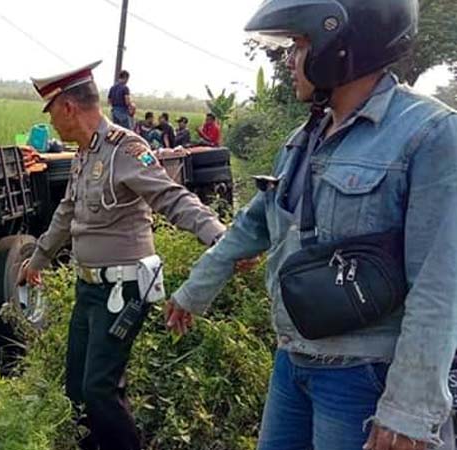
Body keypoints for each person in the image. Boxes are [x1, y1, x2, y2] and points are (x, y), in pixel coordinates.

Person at [165, 1, 457, 449]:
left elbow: (440, 284)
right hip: (294, 360)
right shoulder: (305, 138)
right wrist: (196, 288)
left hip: (364, 374)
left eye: (300, 45)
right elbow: (257, 221)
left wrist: (409, 410)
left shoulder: (429, 135)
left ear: (342, 46)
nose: (290, 58)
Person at [24, 60, 227, 450]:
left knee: (101, 389)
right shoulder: (84, 154)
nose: (52, 125)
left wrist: (217, 234)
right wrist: (37, 260)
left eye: (52, 114)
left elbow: (171, 197)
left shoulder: (126, 149)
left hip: (123, 289)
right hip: (90, 289)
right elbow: (67, 211)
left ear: (68, 107)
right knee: (77, 390)